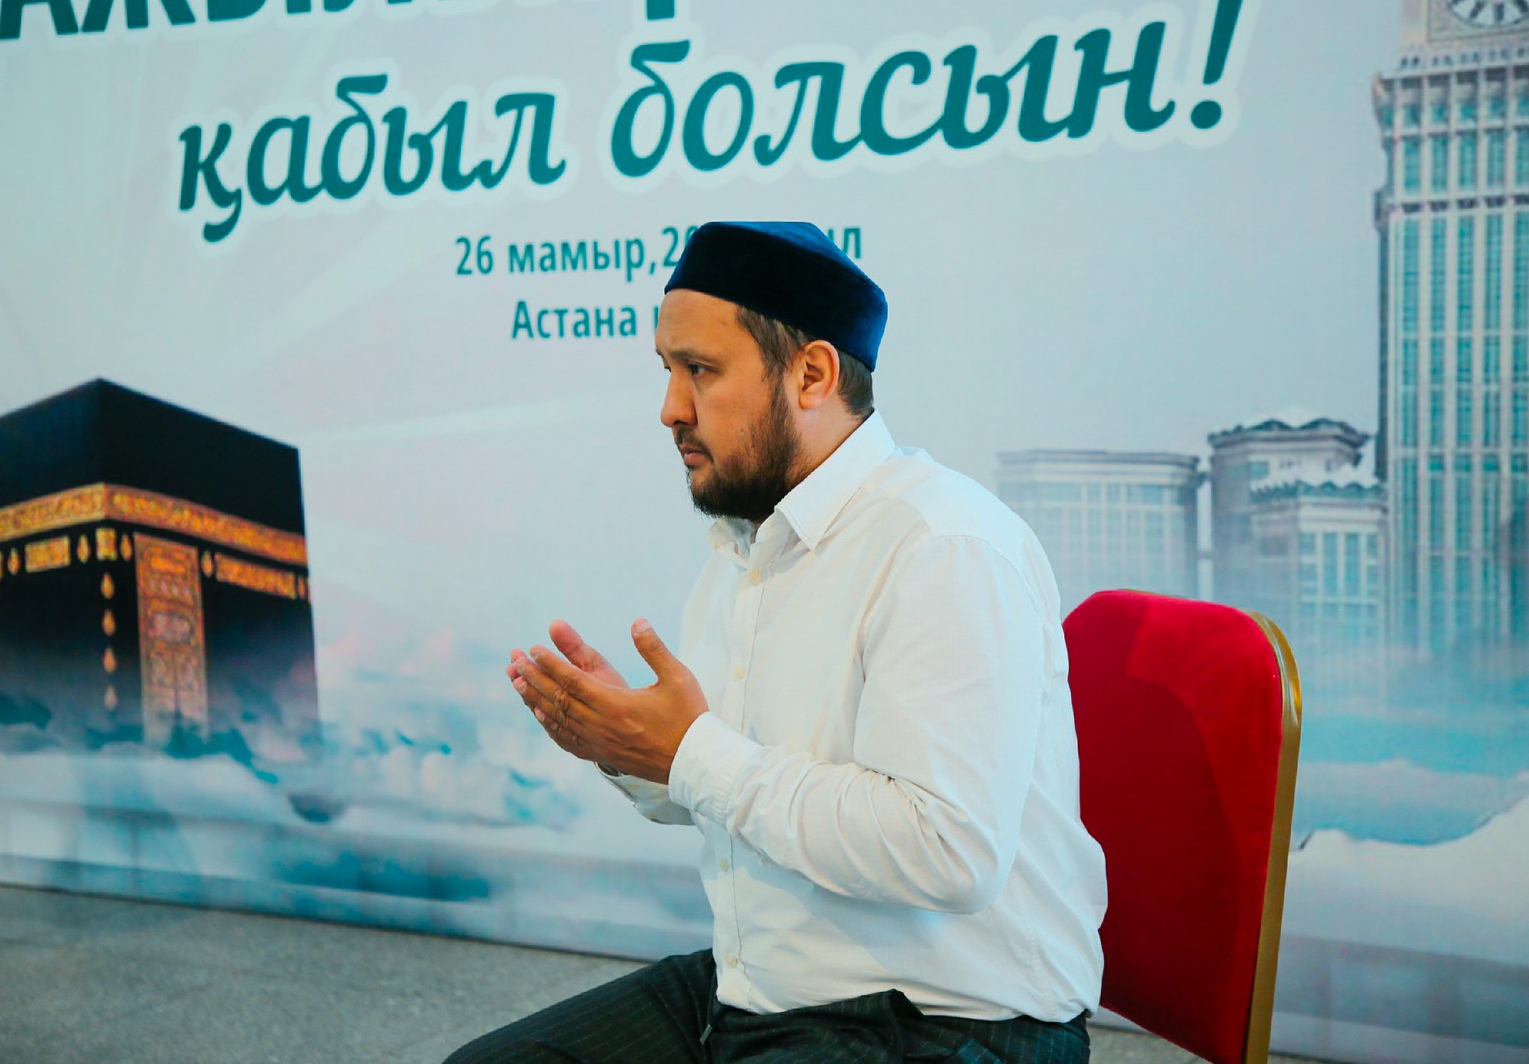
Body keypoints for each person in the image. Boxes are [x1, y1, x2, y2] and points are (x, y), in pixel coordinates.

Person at [446, 221, 1107, 1063]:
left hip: (946, 1018)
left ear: (812, 375)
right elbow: (723, 784)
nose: (670, 408)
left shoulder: (943, 544)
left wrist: (691, 752)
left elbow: (947, 849)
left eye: (700, 370)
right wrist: (630, 742)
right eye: (666, 369)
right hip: (758, 988)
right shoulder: (744, 545)